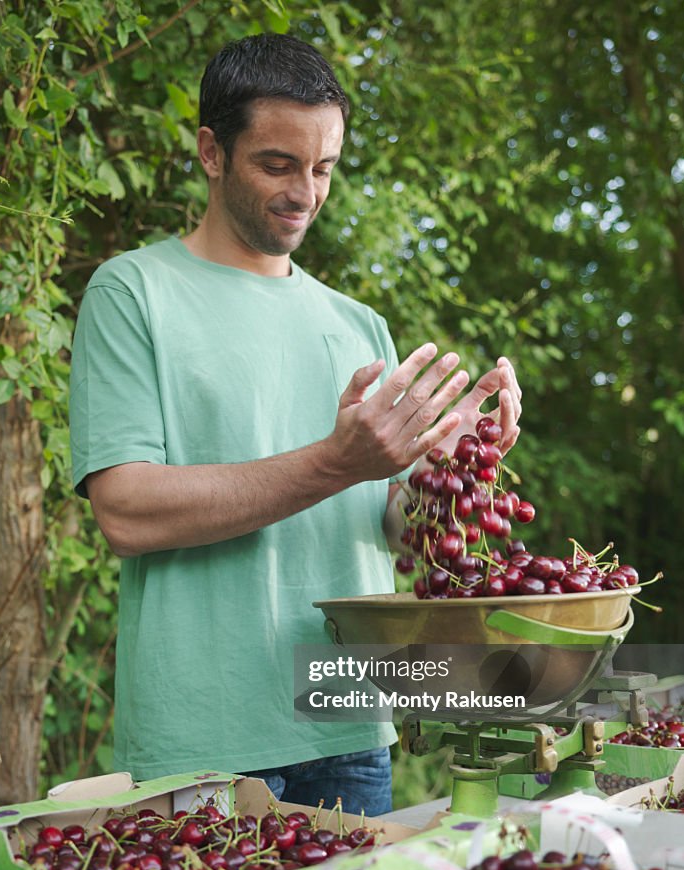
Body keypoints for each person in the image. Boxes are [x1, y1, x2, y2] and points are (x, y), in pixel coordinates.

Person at [69, 33, 521, 816]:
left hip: (350, 724)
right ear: (212, 152)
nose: (304, 193)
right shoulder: (134, 292)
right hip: (201, 744)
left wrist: (452, 470)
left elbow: (392, 529)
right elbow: (126, 511)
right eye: (277, 164)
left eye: (324, 168)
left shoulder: (358, 325)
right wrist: (336, 462)